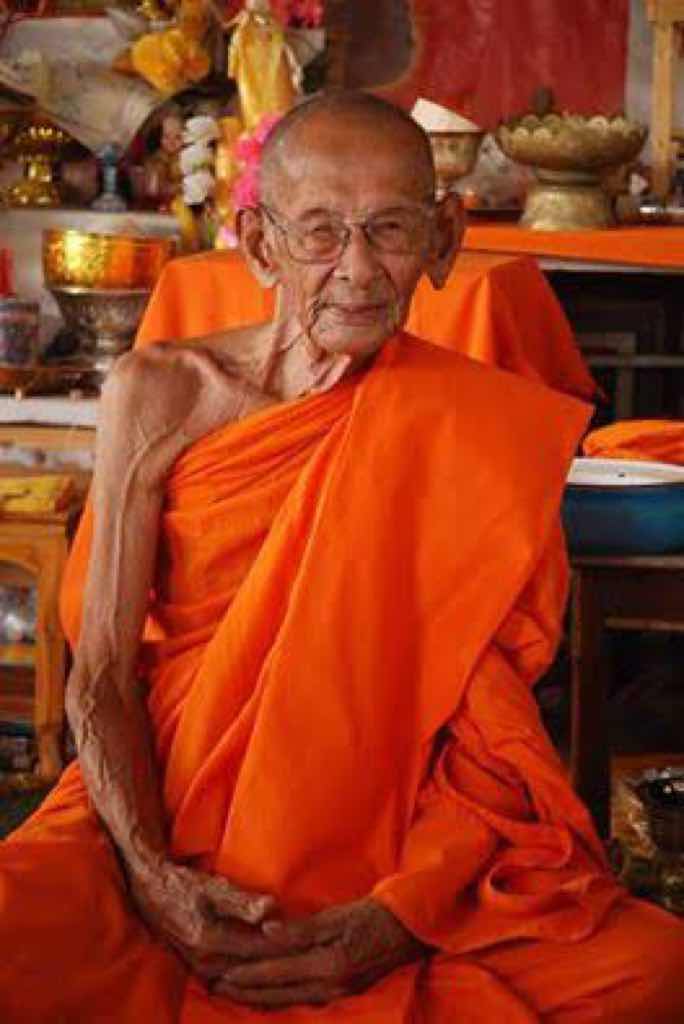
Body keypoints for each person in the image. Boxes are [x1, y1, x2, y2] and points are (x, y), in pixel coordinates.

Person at [1, 91, 683, 1023]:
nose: (357, 269)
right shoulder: (162, 392)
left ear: (442, 240)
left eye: (390, 229)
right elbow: (104, 675)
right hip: (156, 802)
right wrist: (154, 880)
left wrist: (395, 918)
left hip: (390, 833)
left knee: (653, 970)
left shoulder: (477, 431)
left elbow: (490, 740)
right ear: (260, 243)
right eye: (321, 231)